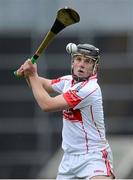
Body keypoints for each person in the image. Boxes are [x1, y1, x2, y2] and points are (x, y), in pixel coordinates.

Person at [17, 43, 115, 179]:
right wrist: (29, 74)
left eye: (87, 61)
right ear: (73, 62)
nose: (81, 64)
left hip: (93, 156)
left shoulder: (90, 89)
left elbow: (47, 105)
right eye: (78, 59)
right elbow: (42, 85)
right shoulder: (68, 81)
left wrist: (32, 75)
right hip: (69, 159)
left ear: (94, 67)